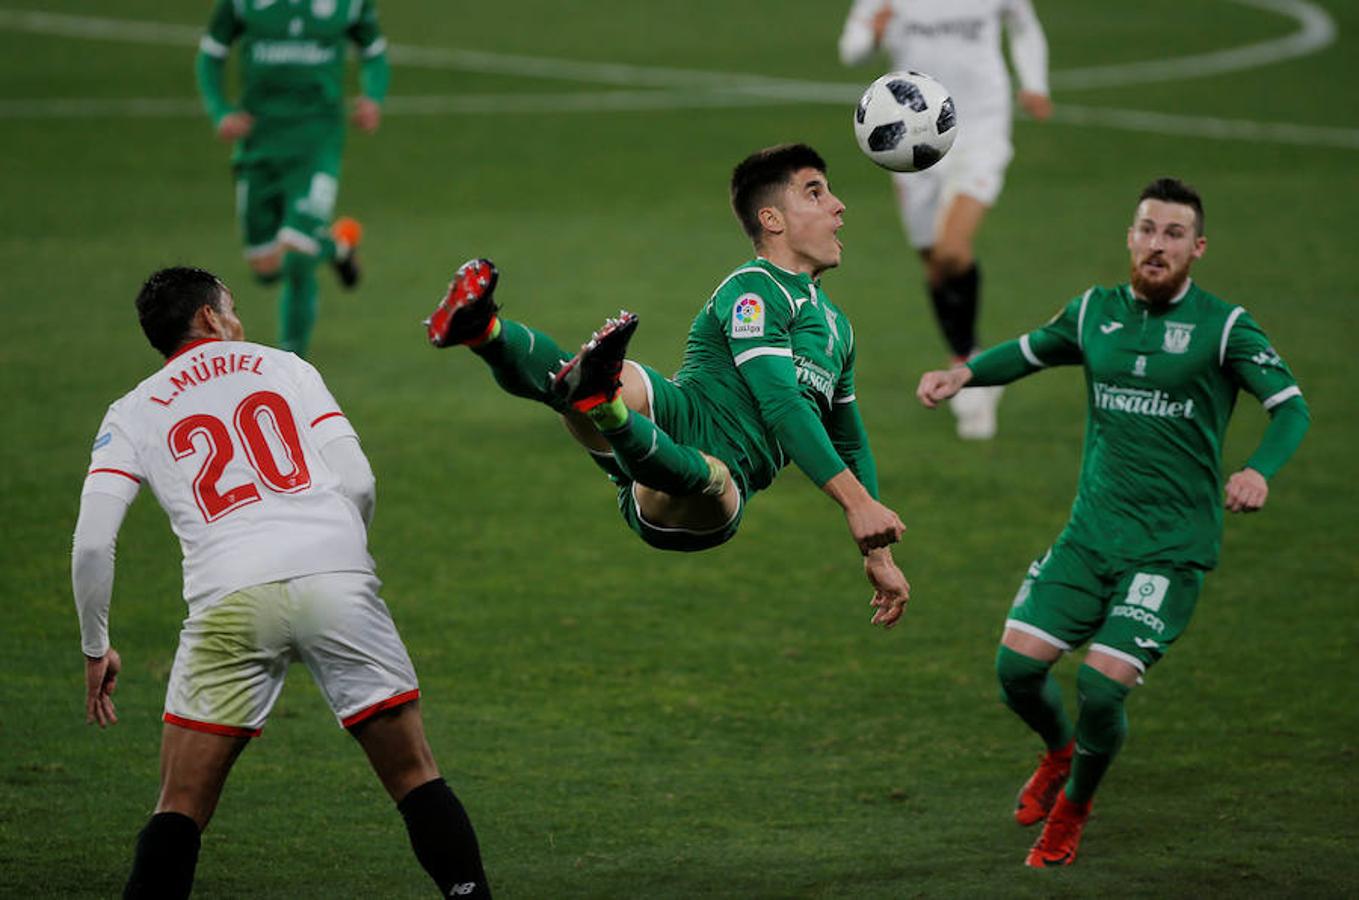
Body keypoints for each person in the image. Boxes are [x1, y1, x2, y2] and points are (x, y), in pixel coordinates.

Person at [916, 178, 1310, 867]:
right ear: (1129, 237)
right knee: (1015, 670)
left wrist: (1258, 470)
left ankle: (1072, 807)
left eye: (1173, 234)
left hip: (1168, 550)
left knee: (1100, 686)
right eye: (1146, 229)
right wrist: (964, 376)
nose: (1157, 245)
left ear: (1197, 248)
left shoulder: (1224, 326)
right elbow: (1031, 349)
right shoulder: (1093, 312)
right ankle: (1060, 753)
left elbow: (1290, 406)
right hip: (1089, 535)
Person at [73, 267, 491, 898]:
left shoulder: (130, 412)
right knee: (415, 776)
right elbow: (359, 482)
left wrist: (94, 644)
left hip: (228, 597)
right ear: (211, 318)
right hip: (336, 580)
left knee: (179, 804)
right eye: (232, 308)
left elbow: (92, 542)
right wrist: (340, 558)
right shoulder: (286, 367)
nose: (238, 320)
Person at [425, 144, 911, 628]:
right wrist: (855, 504)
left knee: (712, 473)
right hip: (682, 414)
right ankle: (483, 330)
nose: (838, 204)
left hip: (713, 489)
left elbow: (849, 439)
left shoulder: (839, 329)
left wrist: (878, 554)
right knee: (624, 379)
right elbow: (781, 403)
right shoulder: (753, 292)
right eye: (815, 192)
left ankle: (604, 407)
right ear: (773, 219)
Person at [839, 0, 1051, 439]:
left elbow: (1025, 27)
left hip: (981, 127)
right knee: (933, 261)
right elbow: (851, 50)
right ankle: (967, 362)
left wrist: (1034, 83)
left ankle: (969, 369)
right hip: (908, 138)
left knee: (952, 250)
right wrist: (875, 34)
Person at [194, 0, 390, 358]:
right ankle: (335, 247)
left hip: (317, 144)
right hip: (259, 146)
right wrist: (220, 110)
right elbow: (210, 55)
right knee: (266, 268)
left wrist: (373, 97)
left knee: (298, 256)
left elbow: (374, 51)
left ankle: (291, 362)